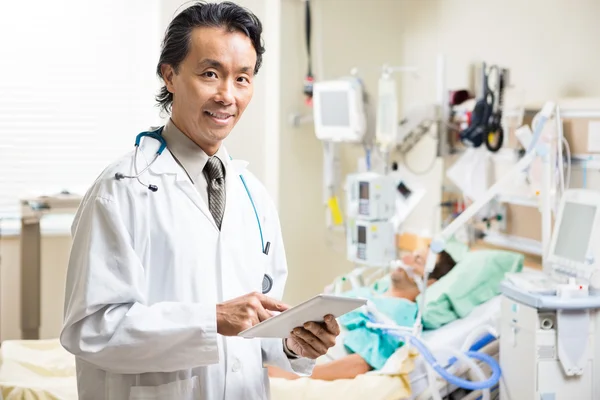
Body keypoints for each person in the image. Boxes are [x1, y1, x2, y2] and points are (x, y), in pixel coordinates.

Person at [60, 2, 340, 399]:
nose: (227, 94)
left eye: (242, 78)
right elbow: (89, 330)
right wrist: (211, 319)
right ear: (170, 75)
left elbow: (256, 328)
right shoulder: (121, 189)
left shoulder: (253, 195)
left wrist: (294, 344)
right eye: (211, 74)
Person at [267, 249, 457, 381]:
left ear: (429, 283)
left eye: (418, 260)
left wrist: (291, 375)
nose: (405, 258)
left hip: (315, 354)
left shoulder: (403, 312)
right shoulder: (369, 293)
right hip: (287, 343)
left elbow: (360, 363)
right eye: (411, 254)